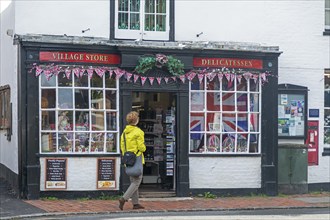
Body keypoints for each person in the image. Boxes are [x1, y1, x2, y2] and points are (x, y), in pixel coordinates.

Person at [119, 111, 146, 210]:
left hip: (128, 159)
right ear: (136, 120)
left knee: (133, 182)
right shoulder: (139, 132)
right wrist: (144, 148)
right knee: (137, 181)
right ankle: (124, 198)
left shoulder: (124, 133)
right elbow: (142, 148)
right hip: (137, 158)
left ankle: (135, 204)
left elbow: (122, 147)